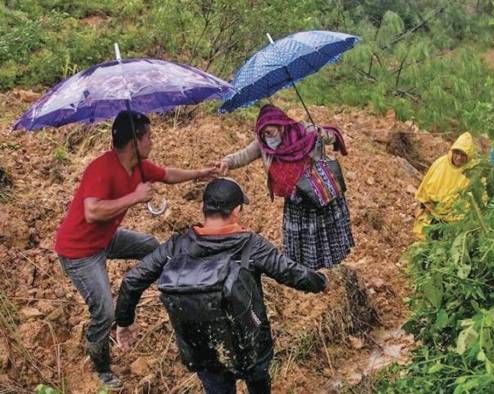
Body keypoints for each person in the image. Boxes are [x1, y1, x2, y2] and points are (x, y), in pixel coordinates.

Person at [114, 177, 327, 394]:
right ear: (236, 211)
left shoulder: (176, 246)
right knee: (258, 382)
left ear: (202, 208)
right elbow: (291, 273)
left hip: (202, 347)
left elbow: (132, 280)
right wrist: (322, 282)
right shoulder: (251, 245)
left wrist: (124, 321)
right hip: (251, 344)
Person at [54, 110, 219, 388]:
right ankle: (101, 367)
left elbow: (167, 175)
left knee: (151, 247)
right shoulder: (101, 168)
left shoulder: (139, 166)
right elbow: (92, 211)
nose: (152, 142)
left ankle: (166, 293)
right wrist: (134, 197)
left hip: (105, 238)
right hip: (79, 251)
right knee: (105, 311)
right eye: (149, 137)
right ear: (134, 142)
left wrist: (201, 173)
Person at [216, 104, 354, 270]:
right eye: (263, 133)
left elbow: (332, 137)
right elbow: (243, 155)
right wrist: (226, 162)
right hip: (296, 198)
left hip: (317, 192)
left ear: (281, 126)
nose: (267, 137)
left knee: (324, 233)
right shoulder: (263, 144)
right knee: (303, 239)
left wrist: (321, 134)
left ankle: (333, 269)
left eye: (270, 132)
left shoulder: (304, 131)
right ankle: (306, 273)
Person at [413, 132, 478, 238]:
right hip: (432, 212)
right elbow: (425, 187)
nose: (458, 158)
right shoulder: (440, 163)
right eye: (457, 153)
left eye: (463, 155)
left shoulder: (473, 171)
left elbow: (477, 200)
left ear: (469, 156)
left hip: (456, 221)